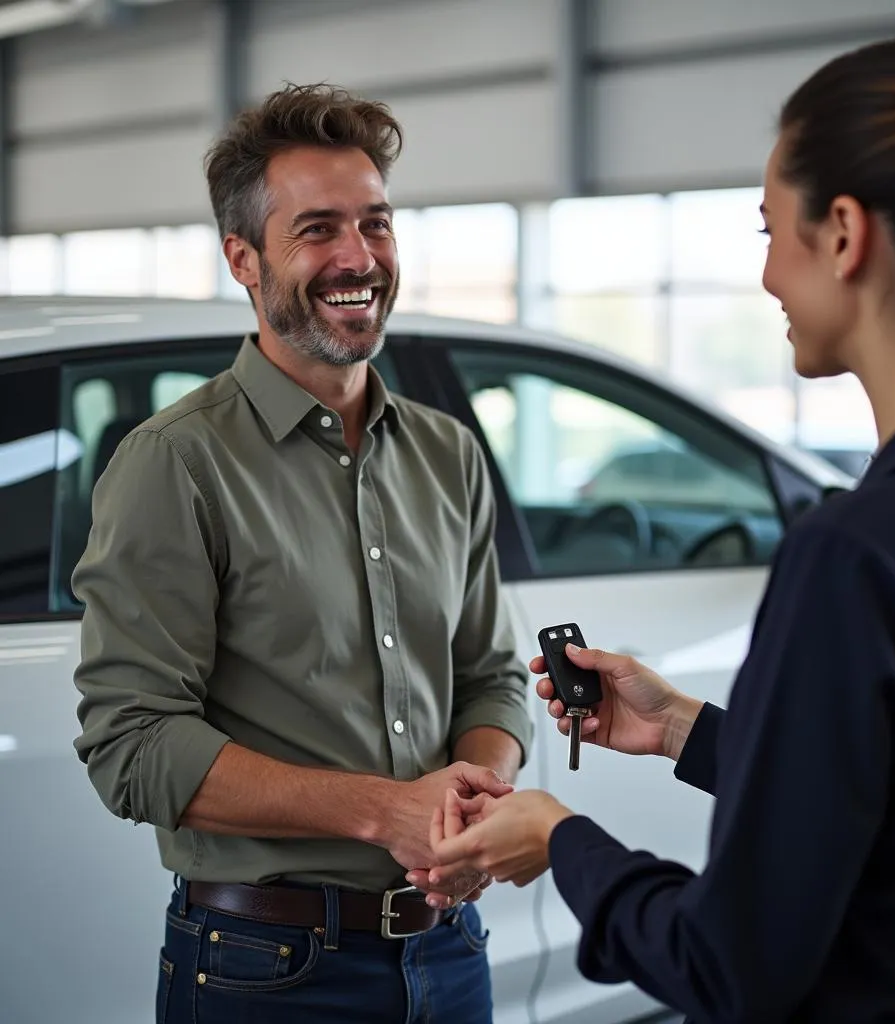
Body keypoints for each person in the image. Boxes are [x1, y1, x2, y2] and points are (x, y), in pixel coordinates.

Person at [427, 35, 895, 1023]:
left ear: (843, 232)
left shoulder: (853, 554)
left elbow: (731, 964)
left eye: (767, 230)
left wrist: (560, 840)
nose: (766, 278)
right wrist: (682, 729)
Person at [72, 83, 532, 1024]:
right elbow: (133, 746)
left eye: (376, 223)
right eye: (317, 229)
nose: (359, 258)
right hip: (266, 970)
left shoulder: (447, 452)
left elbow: (491, 677)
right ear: (244, 258)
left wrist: (469, 806)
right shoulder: (176, 465)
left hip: (450, 952)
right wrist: (383, 810)